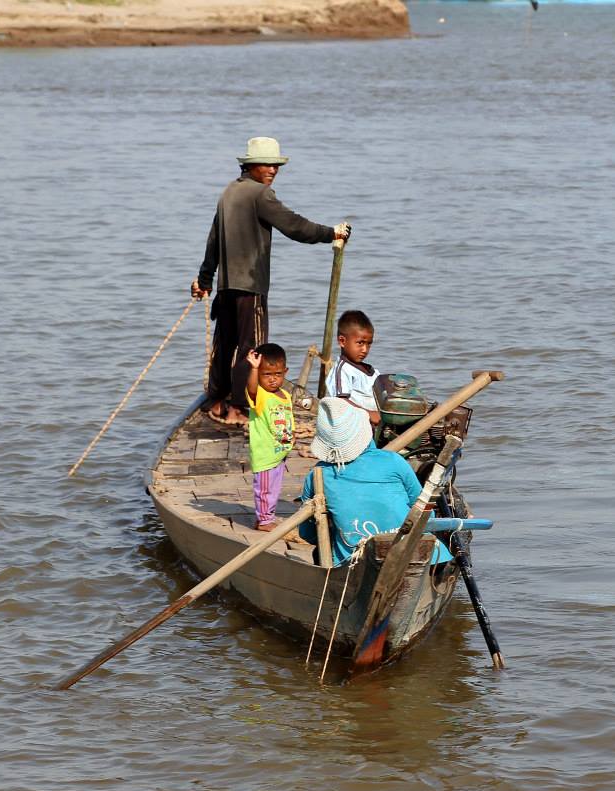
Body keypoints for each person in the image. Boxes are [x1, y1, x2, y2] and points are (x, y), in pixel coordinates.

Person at [191, 136, 351, 427]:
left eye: (276, 165)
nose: (273, 170)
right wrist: (332, 233)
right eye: (266, 165)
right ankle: (238, 408)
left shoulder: (229, 193)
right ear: (250, 166)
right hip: (250, 286)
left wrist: (205, 279)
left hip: (227, 289)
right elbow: (294, 226)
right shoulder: (260, 195)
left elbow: (213, 241)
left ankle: (217, 402)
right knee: (251, 348)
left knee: (225, 344)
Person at [299, 397, 453, 566]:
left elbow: (307, 533)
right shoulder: (394, 461)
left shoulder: (318, 475)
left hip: (354, 564)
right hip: (418, 557)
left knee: (320, 551)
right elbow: (425, 512)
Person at [245, 343, 295, 531]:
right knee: (265, 489)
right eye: (266, 375)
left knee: (274, 489)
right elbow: (251, 389)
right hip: (265, 453)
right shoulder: (261, 395)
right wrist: (254, 368)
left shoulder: (284, 395)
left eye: (278, 374)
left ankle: (263, 517)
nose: (273, 380)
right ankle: (265, 521)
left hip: (279, 452)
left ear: (285, 371)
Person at [327, 309, 381, 426]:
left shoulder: (371, 371)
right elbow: (340, 403)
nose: (365, 350)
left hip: (376, 422)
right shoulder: (343, 370)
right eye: (360, 343)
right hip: (354, 427)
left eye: (369, 344)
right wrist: (369, 414)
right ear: (342, 341)